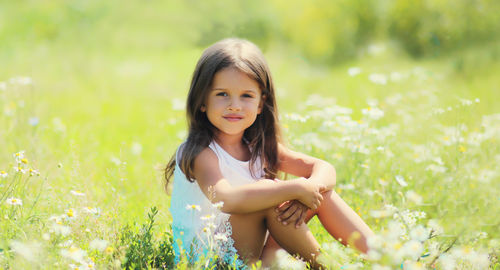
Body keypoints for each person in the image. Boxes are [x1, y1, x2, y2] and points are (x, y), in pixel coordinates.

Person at [165, 38, 374, 269]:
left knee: (320, 192)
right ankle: (327, 266)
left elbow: (324, 169)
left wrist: (310, 188)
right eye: (222, 94)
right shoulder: (200, 152)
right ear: (202, 100)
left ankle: (387, 258)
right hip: (213, 260)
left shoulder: (257, 145)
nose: (234, 105)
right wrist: (292, 188)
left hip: (258, 253)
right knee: (269, 193)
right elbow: (226, 199)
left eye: (246, 95)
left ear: (260, 103)